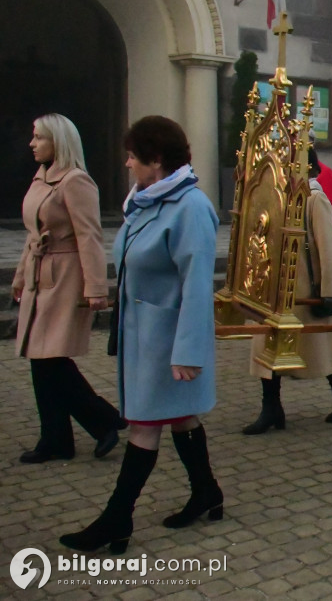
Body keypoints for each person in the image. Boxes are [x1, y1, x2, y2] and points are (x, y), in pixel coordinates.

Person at [60, 116, 221, 554]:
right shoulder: (146, 201)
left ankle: (117, 518)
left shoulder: (189, 207)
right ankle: (207, 492)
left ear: (156, 160)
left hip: (168, 340)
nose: (127, 163)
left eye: (133, 156)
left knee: (144, 425)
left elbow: (196, 283)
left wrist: (188, 351)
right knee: (181, 416)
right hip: (143, 337)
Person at [13, 114, 124, 464]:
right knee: (41, 360)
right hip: (38, 275)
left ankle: (103, 420)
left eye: (39, 137)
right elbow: (33, 236)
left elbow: (90, 235)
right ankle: (56, 437)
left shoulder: (76, 181)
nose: (32, 143)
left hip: (64, 278)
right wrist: (19, 276)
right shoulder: (41, 178)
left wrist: (95, 287)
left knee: (52, 361)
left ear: (58, 141)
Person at [242, 149, 332, 434]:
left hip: (304, 288)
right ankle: (271, 408)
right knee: (266, 345)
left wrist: (330, 292)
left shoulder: (314, 198)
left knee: (319, 349)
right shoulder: (275, 196)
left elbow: (327, 249)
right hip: (273, 287)